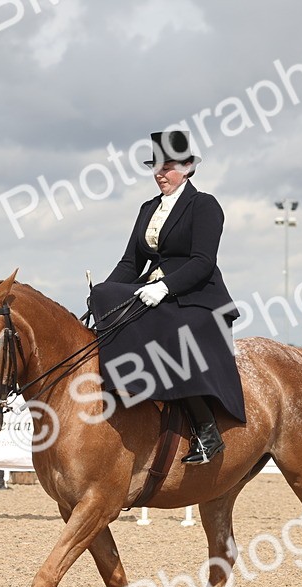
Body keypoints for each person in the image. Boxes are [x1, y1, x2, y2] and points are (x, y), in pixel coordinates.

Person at [94, 130, 245, 464]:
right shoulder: (148, 207)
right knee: (106, 295)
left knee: (172, 335)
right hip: (153, 291)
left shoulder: (204, 205)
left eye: (168, 166)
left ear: (189, 166)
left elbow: (203, 262)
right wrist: (101, 296)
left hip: (195, 297)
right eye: (155, 166)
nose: (159, 173)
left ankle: (207, 431)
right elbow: (130, 263)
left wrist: (165, 287)